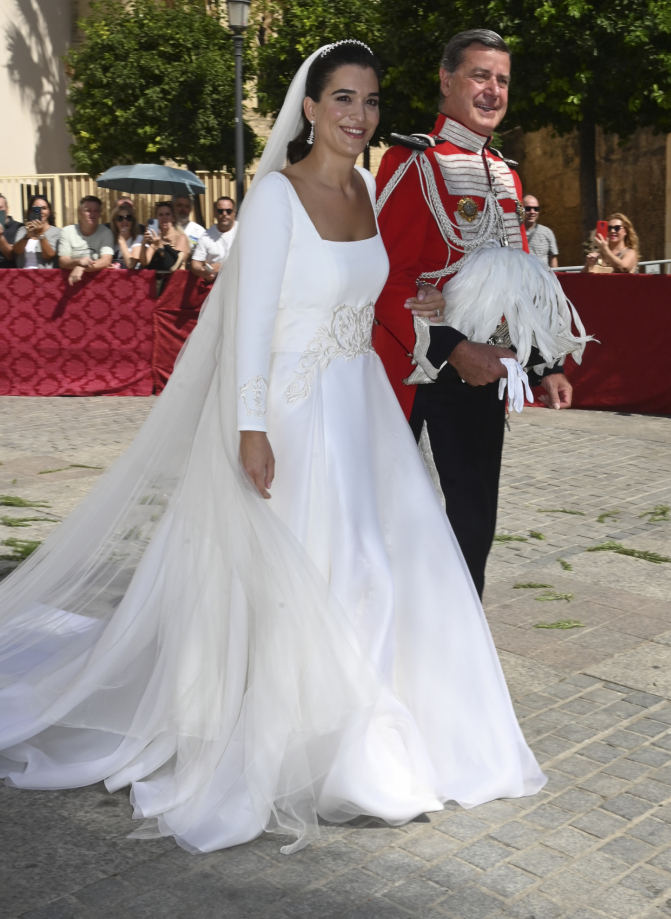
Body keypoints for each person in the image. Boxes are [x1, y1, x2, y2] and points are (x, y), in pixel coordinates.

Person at [0, 41, 545, 857]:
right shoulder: (276, 199)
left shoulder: (366, 187)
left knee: (377, 568)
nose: (359, 115)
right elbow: (248, 324)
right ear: (311, 107)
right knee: (317, 573)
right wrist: (250, 429)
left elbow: (385, 297)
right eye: (343, 99)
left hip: (360, 406)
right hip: (292, 412)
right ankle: (300, 743)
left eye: (370, 101)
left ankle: (361, 739)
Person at [374, 29, 583, 600]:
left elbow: (520, 279)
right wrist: (455, 349)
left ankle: (458, 645)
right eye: (480, 76)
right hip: (415, 370)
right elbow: (385, 278)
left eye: (503, 80)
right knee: (391, 522)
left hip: (484, 372)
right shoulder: (411, 161)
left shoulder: (507, 174)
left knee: (472, 525)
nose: (493, 90)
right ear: (447, 81)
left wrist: (546, 364)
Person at [58, 196, 115, 285]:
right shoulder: (67, 231)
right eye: (88, 211)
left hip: (97, 283)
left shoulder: (106, 233)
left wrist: (81, 267)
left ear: (100, 214)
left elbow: (106, 261)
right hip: (71, 283)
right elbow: (63, 261)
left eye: (96, 211)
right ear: (80, 212)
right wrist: (79, 262)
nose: (92, 214)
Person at [190, 197, 238, 283]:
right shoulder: (206, 236)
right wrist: (202, 271)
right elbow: (195, 262)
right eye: (220, 211)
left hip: (239, 281)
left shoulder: (243, 231)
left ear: (234, 213)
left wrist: (222, 266)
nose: (224, 214)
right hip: (216, 284)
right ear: (215, 213)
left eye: (228, 211)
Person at [139, 201, 190, 273]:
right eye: (160, 215)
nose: (164, 217)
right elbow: (144, 263)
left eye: (167, 214)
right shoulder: (156, 238)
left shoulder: (180, 238)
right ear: (156, 219)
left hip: (173, 278)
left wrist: (160, 246)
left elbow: (174, 264)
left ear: (173, 218)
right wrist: (143, 243)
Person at [13, 195, 61, 269]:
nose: (41, 211)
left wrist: (40, 234)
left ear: (49, 211)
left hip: (44, 274)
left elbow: (49, 255)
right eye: (36, 209)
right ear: (30, 211)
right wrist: (27, 236)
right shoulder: (22, 230)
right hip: (23, 273)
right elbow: (16, 251)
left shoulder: (56, 232)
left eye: (44, 208)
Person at [523, 194, 559, 268]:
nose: (532, 212)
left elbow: (553, 259)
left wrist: (554, 274)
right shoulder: (513, 233)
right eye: (528, 208)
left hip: (542, 275)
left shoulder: (547, 232)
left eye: (536, 209)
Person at [110, 202, 143, 269]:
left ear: (133, 221)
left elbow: (131, 264)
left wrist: (121, 240)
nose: (124, 221)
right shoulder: (110, 238)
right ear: (115, 222)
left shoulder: (139, 238)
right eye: (119, 218)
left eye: (128, 218)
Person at [0, 193, 20, 269]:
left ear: (7, 209)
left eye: (0, 207)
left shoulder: (18, 228)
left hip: (7, 272)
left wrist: (0, 237)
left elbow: (11, 256)